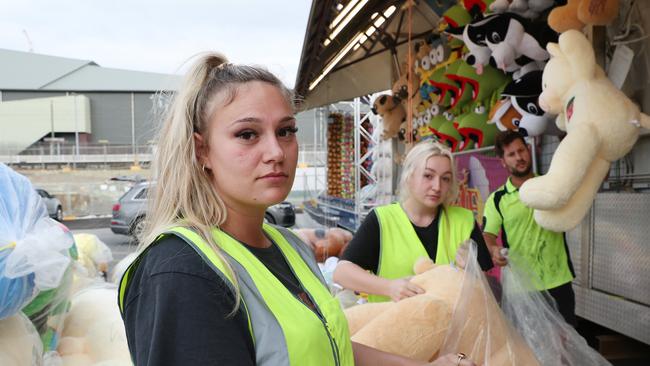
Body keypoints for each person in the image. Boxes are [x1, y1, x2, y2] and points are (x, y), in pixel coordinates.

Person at [117, 53, 476, 366]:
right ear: (201, 151)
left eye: (286, 131)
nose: (276, 151)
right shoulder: (182, 273)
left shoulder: (291, 248)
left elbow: (327, 347)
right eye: (247, 134)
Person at [334, 141, 494, 303]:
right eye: (428, 176)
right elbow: (342, 272)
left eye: (445, 179)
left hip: (455, 327)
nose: (437, 186)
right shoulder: (381, 220)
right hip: (395, 325)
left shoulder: (464, 221)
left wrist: (473, 275)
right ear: (409, 176)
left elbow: (492, 290)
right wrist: (389, 287)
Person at [482, 130, 576, 326]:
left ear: (528, 150)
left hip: (558, 280)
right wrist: (494, 250)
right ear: (503, 162)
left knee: (565, 344)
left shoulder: (551, 186)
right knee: (527, 346)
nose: (519, 157)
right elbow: (488, 235)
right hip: (521, 288)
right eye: (511, 154)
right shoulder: (498, 199)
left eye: (521, 150)